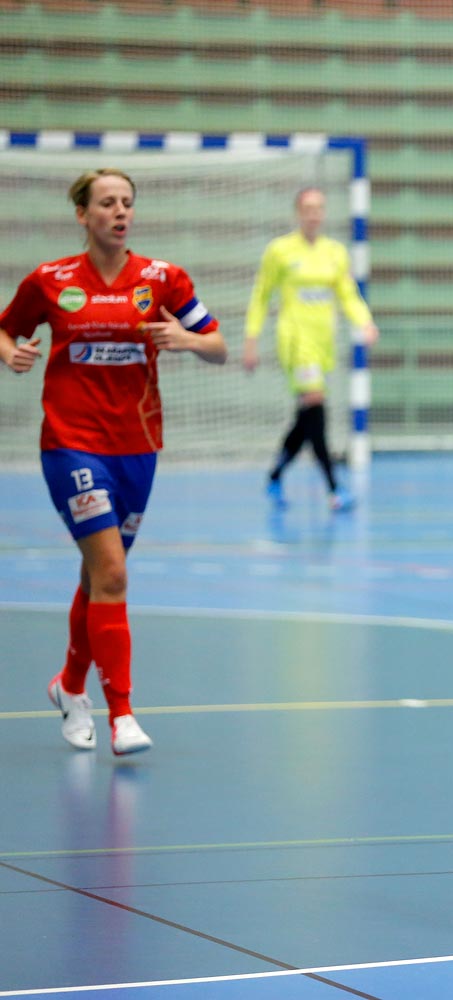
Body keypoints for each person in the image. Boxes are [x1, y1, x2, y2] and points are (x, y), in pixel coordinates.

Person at [0, 167, 227, 755]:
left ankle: (70, 686)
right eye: (107, 203)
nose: (120, 212)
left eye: (127, 202)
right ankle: (122, 714)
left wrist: (189, 340)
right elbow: (4, 330)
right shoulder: (50, 281)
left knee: (98, 575)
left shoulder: (161, 279)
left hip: (138, 447)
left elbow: (219, 346)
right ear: (83, 214)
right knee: (114, 573)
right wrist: (11, 353)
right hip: (71, 443)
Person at [242, 186, 377, 512]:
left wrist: (365, 322)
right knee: (316, 405)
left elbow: (347, 294)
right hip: (296, 341)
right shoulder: (280, 251)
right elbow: (261, 295)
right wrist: (251, 338)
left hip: (322, 343)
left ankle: (275, 475)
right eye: (308, 208)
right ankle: (334, 487)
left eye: (319, 207)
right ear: (298, 212)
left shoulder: (334, 252)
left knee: (307, 416)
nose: (314, 214)